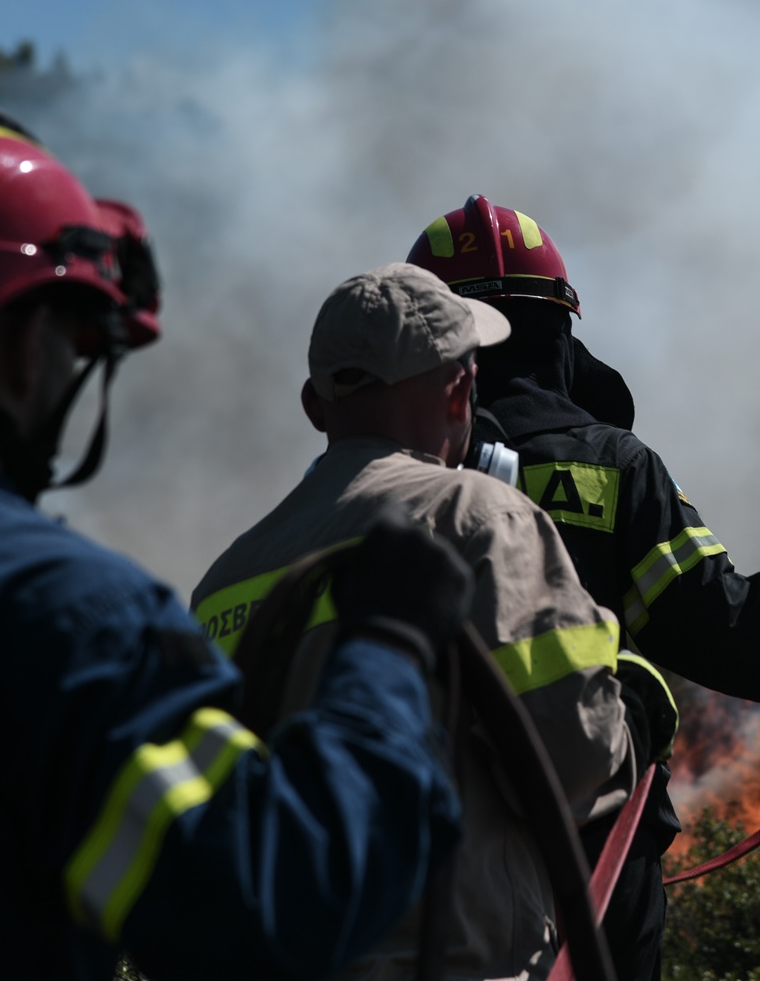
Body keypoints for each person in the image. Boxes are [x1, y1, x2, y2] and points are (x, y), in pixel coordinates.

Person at [0, 99, 471, 981]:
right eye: (80, 338)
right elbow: (280, 902)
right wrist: (386, 646)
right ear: (26, 346)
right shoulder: (66, 625)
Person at [408, 195, 760, 981]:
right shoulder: (609, 466)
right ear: (561, 332)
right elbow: (714, 617)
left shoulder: (379, 485)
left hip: (417, 839)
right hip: (595, 836)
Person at [191, 262, 664, 981]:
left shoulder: (224, 580)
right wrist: (635, 709)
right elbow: (571, 770)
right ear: (460, 388)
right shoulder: (476, 516)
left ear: (315, 406)